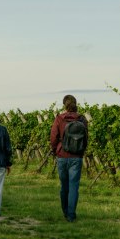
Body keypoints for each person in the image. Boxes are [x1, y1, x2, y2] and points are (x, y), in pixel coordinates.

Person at [50, 94, 88, 222]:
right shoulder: (82, 119)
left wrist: (55, 150)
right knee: (74, 186)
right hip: (76, 157)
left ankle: (65, 211)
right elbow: (86, 138)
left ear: (64, 105)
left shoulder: (60, 119)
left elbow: (54, 137)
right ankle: (71, 215)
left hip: (62, 155)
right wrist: (81, 152)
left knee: (64, 186)